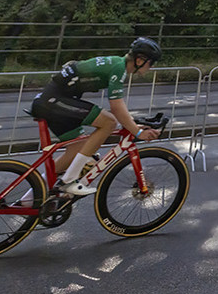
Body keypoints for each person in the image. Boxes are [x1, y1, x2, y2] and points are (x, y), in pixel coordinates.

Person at [29, 36, 163, 196]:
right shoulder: (119, 68)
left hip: (51, 100)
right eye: (151, 63)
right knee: (109, 122)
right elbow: (116, 106)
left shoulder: (117, 63)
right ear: (140, 60)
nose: (151, 67)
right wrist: (137, 132)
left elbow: (119, 107)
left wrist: (132, 125)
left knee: (78, 148)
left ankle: (30, 199)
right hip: (53, 100)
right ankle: (69, 180)